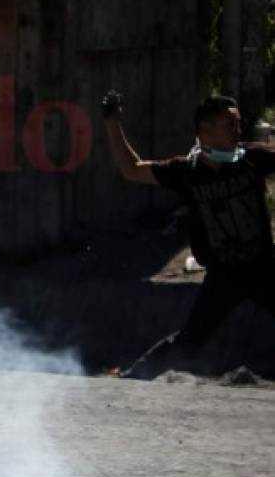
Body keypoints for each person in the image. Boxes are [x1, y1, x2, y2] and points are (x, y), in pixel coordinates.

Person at [102, 90, 275, 379]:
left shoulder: (252, 158)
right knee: (189, 343)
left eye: (238, 124)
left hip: (263, 268)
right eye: (229, 125)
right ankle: (131, 380)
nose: (238, 130)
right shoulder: (188, 171)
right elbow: (131, 170)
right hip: (224, 277)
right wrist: (112, 123)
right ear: (205, 131)